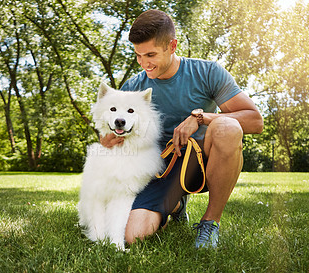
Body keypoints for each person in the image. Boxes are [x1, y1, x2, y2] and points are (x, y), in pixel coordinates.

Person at [100, 9, 263, 248]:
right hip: (159, 169)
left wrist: (200, 117)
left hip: (204, 163)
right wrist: (109, 139)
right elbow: (114, 130)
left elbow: (254, 120)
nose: (145, 63)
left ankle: (210, 223)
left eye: (151, 54)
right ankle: (176, 205)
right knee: (133, 236)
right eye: (138, 55)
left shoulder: (207, 72)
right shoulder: (133, 87)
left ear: (172, 45)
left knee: (227, 126)